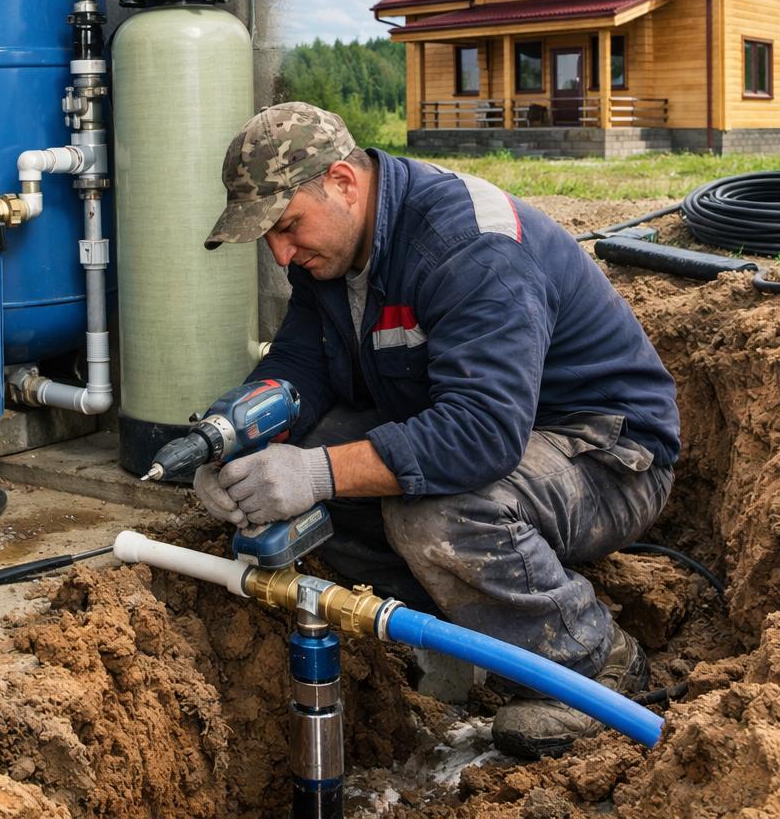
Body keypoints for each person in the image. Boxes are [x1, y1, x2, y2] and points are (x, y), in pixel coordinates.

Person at [197, 102, 679, 759]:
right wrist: (231, 439)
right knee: (314, 468)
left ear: (343, 182)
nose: (281, 252)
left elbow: (481, 434)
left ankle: (597, 666)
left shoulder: (467, 247)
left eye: (287, 227)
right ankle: (462, 637)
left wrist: (315, 472)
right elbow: (298, 366)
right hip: (500, 437)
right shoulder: (334, 252)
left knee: (438, 513)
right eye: (270, 239)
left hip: (605, 454)